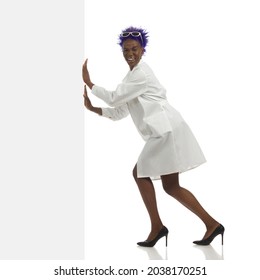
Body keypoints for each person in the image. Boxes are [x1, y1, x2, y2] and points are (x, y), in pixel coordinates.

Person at [82, 26, 224, 247]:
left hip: (166, 131)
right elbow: (120, 110)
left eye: (134, 49)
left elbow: (113, 97)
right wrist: (94, 110)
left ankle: (158, 227)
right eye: (126, 50)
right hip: (164, 131)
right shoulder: (131, 77)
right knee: (171, 186)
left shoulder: (141, 74)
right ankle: (212, 225)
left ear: (143, 49)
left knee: (139, 174)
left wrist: (90, 84)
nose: (130, 54)